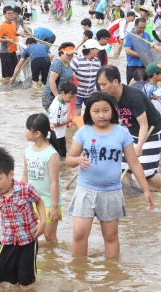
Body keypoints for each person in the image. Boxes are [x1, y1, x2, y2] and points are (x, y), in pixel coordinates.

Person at [65, 92, 154, 257]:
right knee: (79, 235)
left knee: (111, 236)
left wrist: (146, 189)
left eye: (106, 110)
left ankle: (112, 276)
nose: (101, 115)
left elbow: (134, 163)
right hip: (86, 190)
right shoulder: (83, 132)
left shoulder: (121, 133)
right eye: (96, 111)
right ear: (89, 113)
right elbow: (69, 160)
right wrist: (78, 160)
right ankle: (79, 276)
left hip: (111, 192)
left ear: (113, 110)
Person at [0, 146, 45, 290]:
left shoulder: (25, 189)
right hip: (7, 240)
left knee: (26, 282)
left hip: (28, 240)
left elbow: (39, 201)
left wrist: (43, 222)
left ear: (10, 174)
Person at [97, 65, 161, 190]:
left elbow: (144, 124)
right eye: (100, 84)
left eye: (104, 84)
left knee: (146, 173)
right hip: (132, 133)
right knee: (121, 167)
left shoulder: (133, 97)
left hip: (151, 133)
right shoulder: (109, 97)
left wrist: (139, 147)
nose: (102, 88)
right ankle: (131, 196)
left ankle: (158, 191)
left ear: (116, 81)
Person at [22, 113, 62, 244]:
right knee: (30, 234)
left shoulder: (51, 154)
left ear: (37, 133)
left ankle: (53, 261)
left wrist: (54, 207)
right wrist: (20, 197)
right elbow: (25, 176)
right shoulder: (28, 151)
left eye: (28, 129)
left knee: (49, 237)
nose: (25, 132)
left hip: (48, 202)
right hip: (31, 201)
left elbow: (54, 182)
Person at [71, 39, 105, 111]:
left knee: (92, 114)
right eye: (97, 49)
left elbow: (99, 78)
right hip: (77, 94)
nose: (98, 50)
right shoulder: (77, 60)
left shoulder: (97, 61)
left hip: (90, 94)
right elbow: (68, 74)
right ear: (91, 50)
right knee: (77, 117)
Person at [42, 42, 76, 110]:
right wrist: (57, 98)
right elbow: (52, 81)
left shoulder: (67, 63)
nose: (70, 56)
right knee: (54, 118)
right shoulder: (57, 63)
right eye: (68, 54)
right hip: (51, 96)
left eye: (72, 54)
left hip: (62, 95)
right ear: (61, 53)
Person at [0, 6, 19, 80]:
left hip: (13, 51)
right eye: (8, 13)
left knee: (14, 73)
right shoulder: (2, 26)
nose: (11, 15)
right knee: (7, 75)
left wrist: (19, 34)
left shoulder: (13, 23)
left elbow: (12, 33)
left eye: (12, 13)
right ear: (4, 15)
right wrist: (8, 40)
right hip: (5, 52)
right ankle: (6, 90)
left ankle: (12, 91)